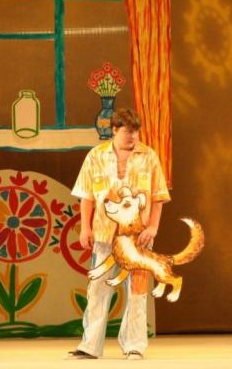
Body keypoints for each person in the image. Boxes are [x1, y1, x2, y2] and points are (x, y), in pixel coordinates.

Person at [67, 108, 170, 360]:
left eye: (135, 132)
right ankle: (90, 346)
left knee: (137, 291)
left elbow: (158, 197)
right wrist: (85, 227)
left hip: (138, 238)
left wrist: (153, 227)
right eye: (127, 132)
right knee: (97, 289)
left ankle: (134, 345)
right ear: (114, 130)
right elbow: (86, 196)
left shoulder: (149, 156)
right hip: (104, 234)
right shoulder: (96, 156)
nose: (132, 136)